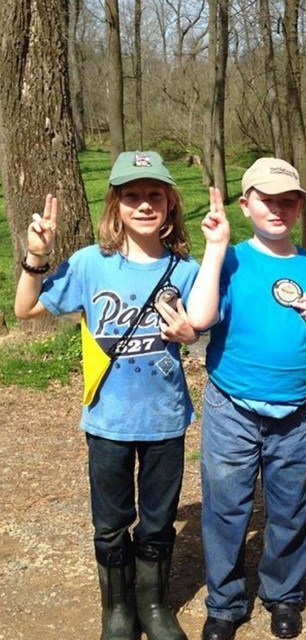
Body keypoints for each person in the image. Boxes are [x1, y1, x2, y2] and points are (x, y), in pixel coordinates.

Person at [14, 151, 201, 640]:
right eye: (132, 196)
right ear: (116, 206)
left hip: (164, 418)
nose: (144, 205)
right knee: (112, 521)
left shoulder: (186, 271)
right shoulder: (90, 265)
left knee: (158, 522)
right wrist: (37, 255)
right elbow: (25, 308)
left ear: (170, 204)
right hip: (108, 420)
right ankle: (117, 610)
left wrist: (190, 333)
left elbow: (206, 327)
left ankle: (154, 607)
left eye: (154, 195)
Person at [187, 158, 306, 640]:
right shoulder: (231, 259)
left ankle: (283, 595)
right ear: (245, 204)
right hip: (231, 408)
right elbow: (199, 319)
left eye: (288, 201)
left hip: (295, 415)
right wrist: (213, 251)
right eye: (267, 199)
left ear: (301, 207)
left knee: (290, 508)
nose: (277, 209)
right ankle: (225, 602)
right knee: (225, 507)